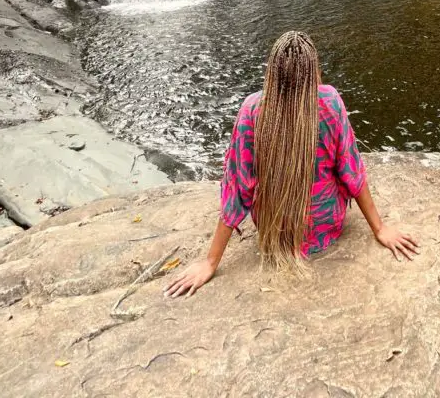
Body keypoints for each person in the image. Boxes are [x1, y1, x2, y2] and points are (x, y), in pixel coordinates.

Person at [165, 30, 419, 297]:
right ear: (314, 71)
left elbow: (238, 188)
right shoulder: (330, 102)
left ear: (272, 71)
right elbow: (350, 170)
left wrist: (211, 261)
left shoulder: (252, 110)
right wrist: (380, 228)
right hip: (325, 226)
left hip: (275, 231)